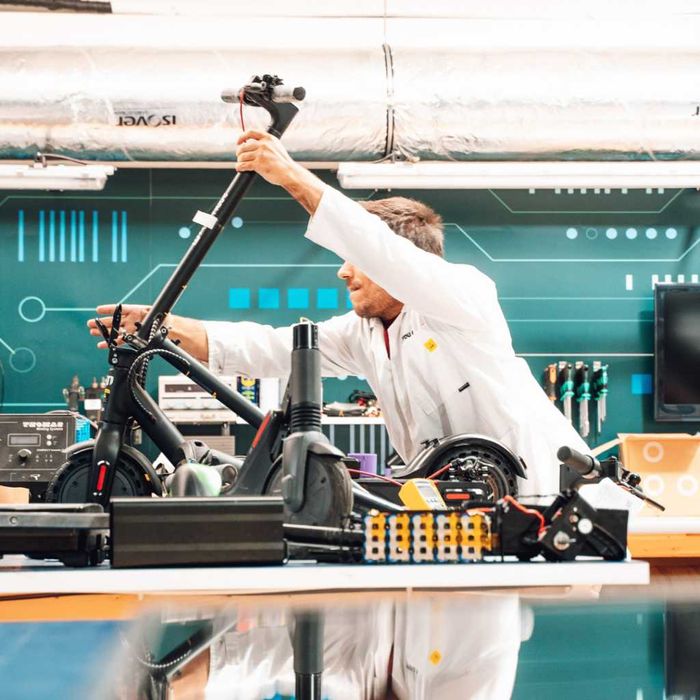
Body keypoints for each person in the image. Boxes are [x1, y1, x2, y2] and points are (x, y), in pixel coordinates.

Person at [89, 129, 589, 497]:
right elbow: (268, 348)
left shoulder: (463, 296)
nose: (343, 272)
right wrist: (160, 325)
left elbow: (381, 251)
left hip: (538, 491)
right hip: (454, 497)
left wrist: (291, 176)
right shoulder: (366, 331)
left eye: (354, 259)